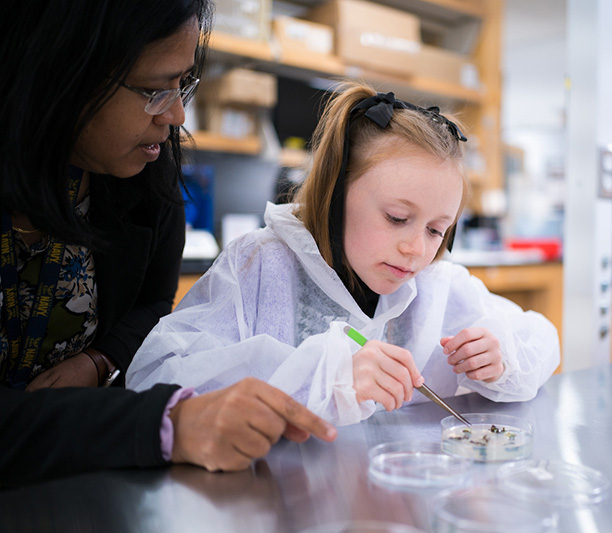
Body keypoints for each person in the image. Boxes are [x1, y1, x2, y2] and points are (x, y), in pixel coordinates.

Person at [0, 0, 336, 486]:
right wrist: (168, 424)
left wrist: (102, 359)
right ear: (61, 71)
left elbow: (155, 302)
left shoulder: (145, 171)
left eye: (183, 84)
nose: (176, 115)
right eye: (155, 90)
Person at [127, 83, 561, 426]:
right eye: (396, 218)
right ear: (336, 195)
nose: (416, 249)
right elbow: (155, 379)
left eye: (435, 230)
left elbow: (542, 339)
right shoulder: (262, 266)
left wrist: (504, 358)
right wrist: (324, 376)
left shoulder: (434, 285)